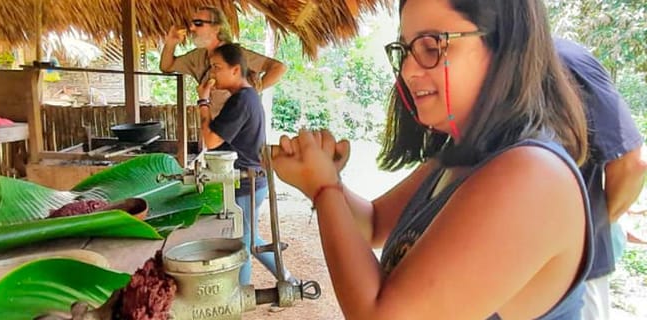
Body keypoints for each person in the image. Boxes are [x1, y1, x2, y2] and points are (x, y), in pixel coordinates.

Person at [271, 0, 594, 318]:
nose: (409, 70)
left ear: (502, 46)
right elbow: (373, 224)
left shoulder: (532, 175)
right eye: (406, 50)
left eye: (433, 46)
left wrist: (325, 188)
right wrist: (323, 180)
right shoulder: (461, 157)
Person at [555, 38, 647, 320]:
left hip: (575, 272)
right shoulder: (490, 67)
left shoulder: (563, 61)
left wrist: (600, 222)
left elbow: (632, 163)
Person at [197, 43, 296, 286]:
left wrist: (203, 102)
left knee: (244, 244)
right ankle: (289, 281)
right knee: (250, 240)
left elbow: (209, 140)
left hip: (245, 184)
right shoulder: (247, 97)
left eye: (217, 67)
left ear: (235, 69)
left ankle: (243, 297)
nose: (213, 73)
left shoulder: (241, 100)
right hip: (250, 181)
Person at [160, 6, 287, 118]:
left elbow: (278, 68)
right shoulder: (197, 56)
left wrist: (251, 94)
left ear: (216, 28)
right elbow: (167, 66)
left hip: (239, 131)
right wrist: (171, 43)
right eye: (192, 23)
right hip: (217, 131)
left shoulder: (235, 55)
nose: (192, 28)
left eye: (198, 23)